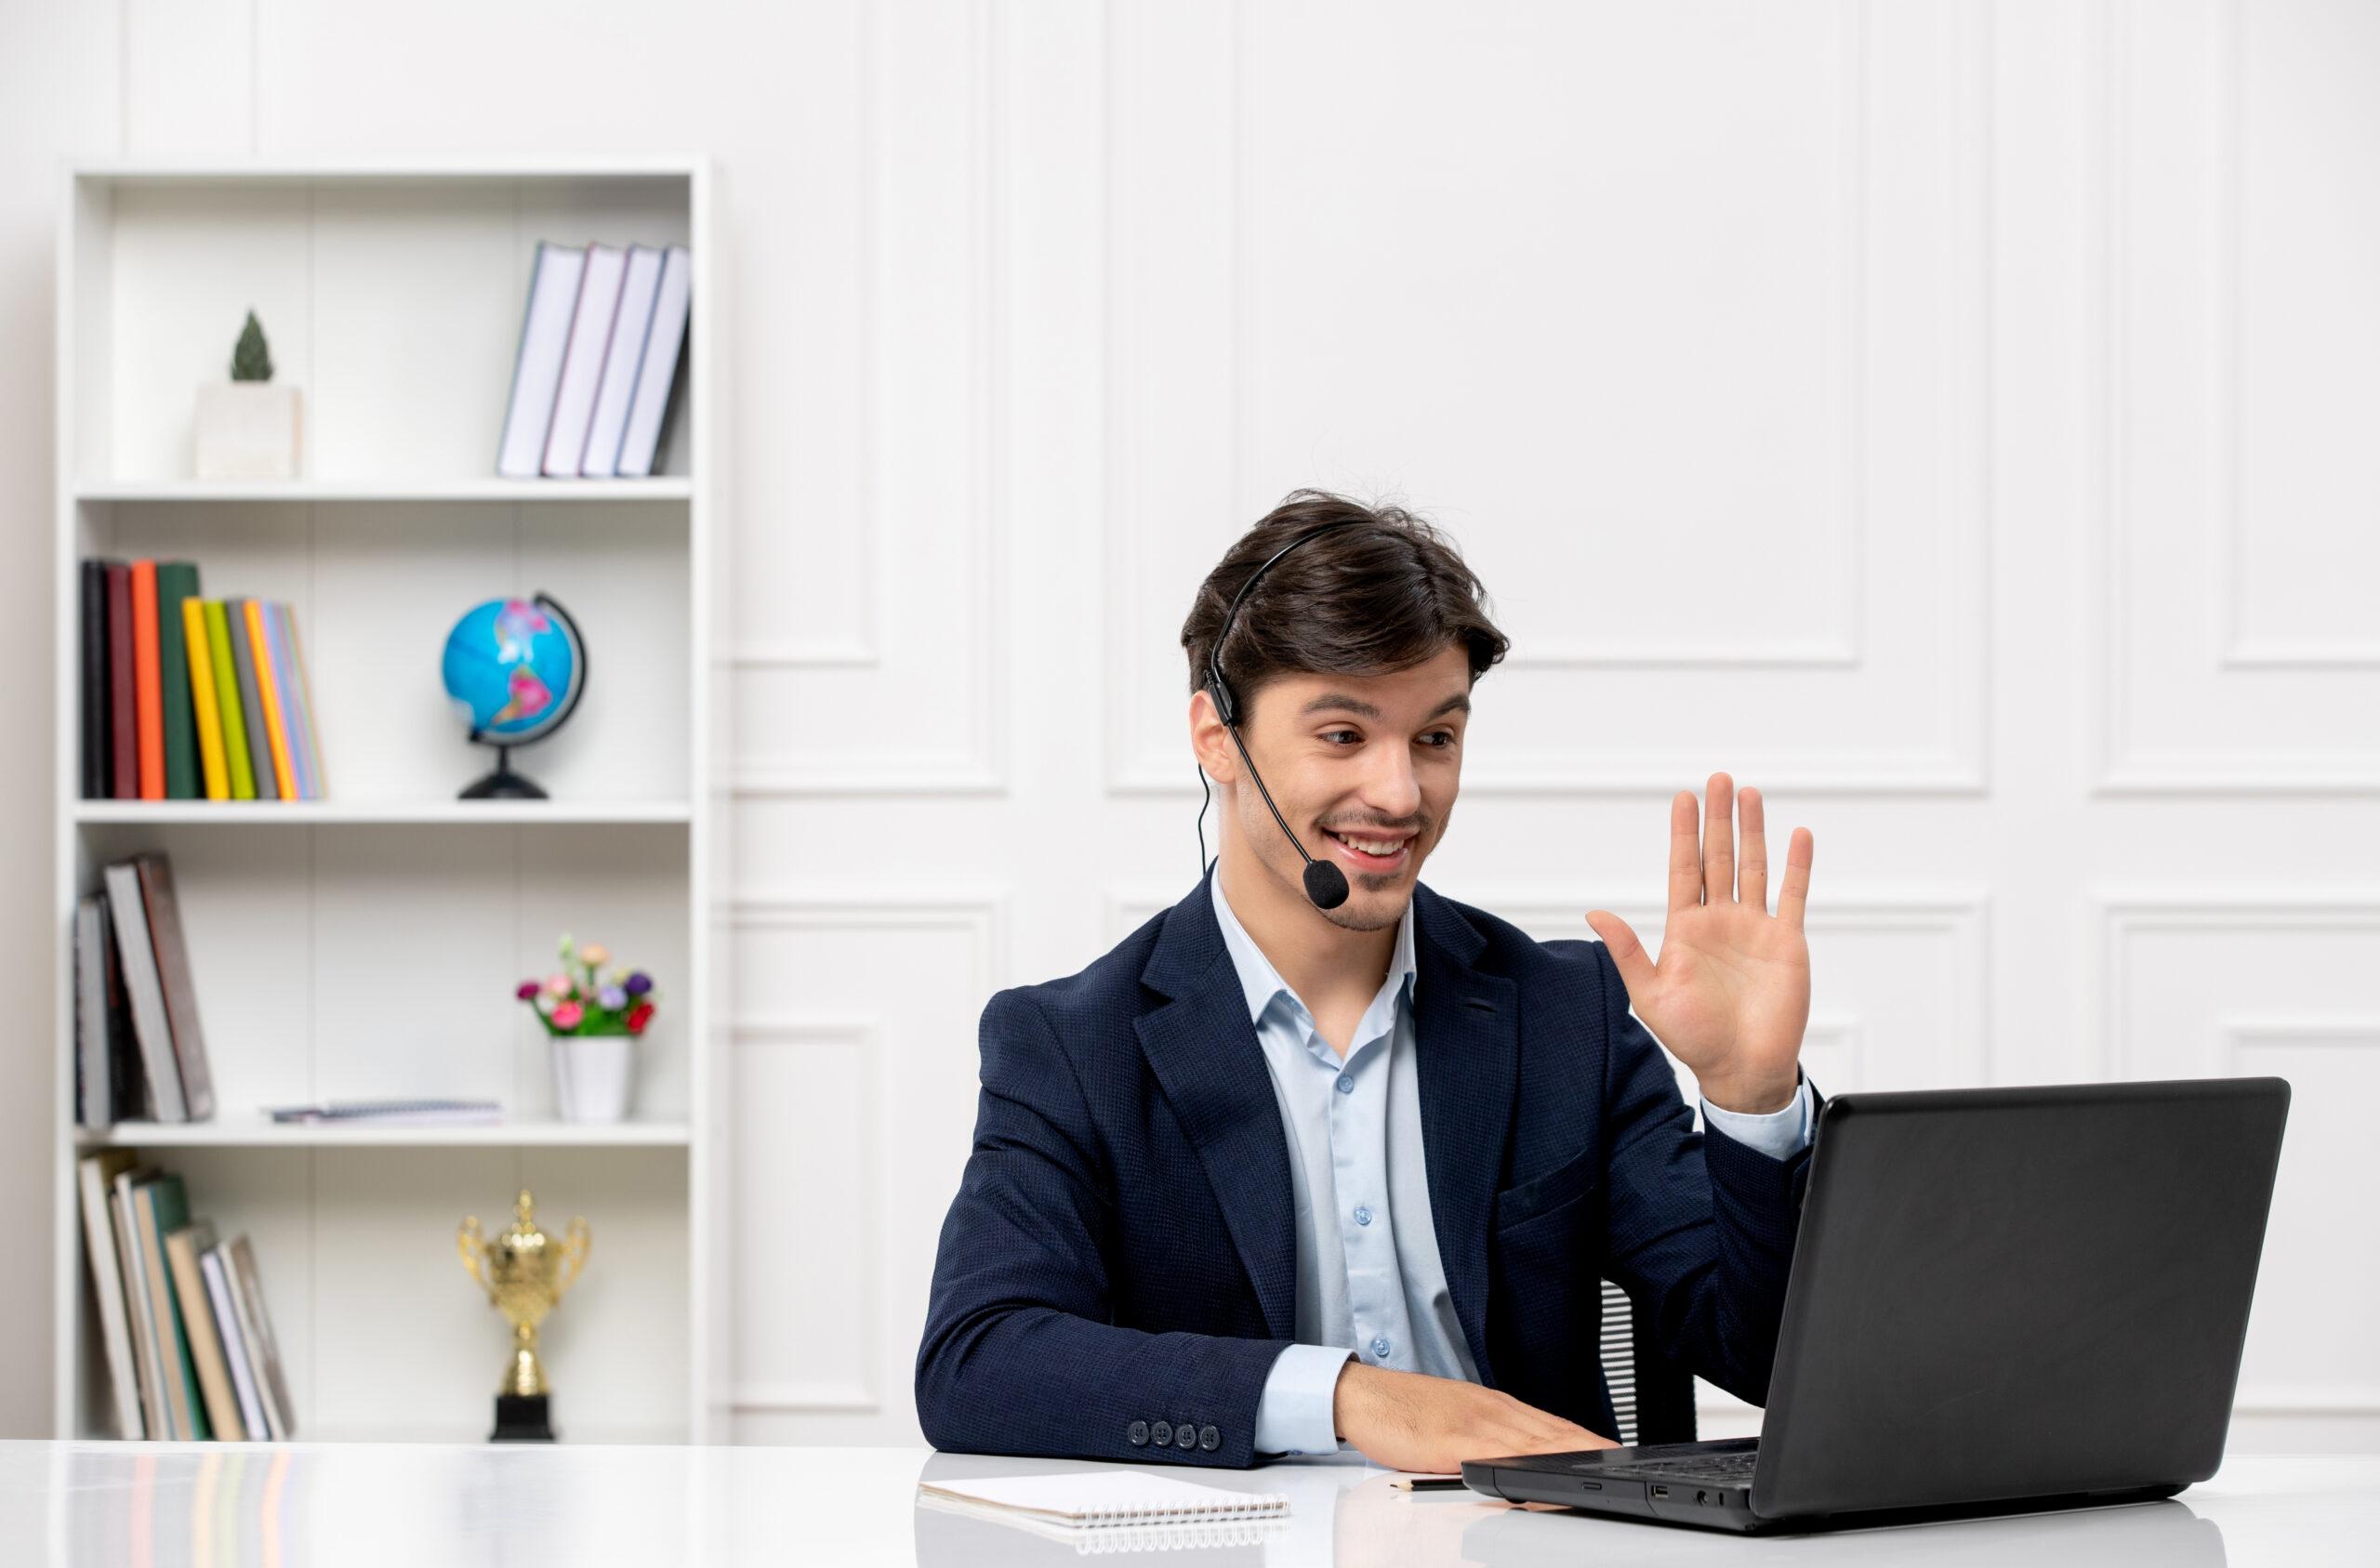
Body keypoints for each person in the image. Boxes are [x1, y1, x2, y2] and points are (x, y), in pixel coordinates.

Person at [915, 489, 1820, 1473]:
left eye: (1435, 736)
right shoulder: (1071, 1044)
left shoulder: (1572, 1016)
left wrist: (1749, 1099)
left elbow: (1768, 1358)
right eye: (1343, 735)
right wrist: (1346, 1395)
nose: (1399, 794)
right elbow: (979, 1359)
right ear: (1216, 736)